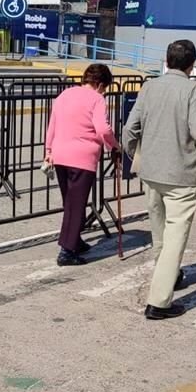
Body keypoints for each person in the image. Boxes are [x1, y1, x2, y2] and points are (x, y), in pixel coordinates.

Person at [124, 40, 196, 321]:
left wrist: (135, 154)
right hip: (180, 174)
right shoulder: (194, 90)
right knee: (175, 237)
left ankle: (169, 277)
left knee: (159, 233)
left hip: (150, 171)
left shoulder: (150, 86)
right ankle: (159, 302)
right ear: (192, 64)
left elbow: (130, 128)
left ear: (167, 60)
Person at [45, 64, 120, 266]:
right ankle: (67, 250)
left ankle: (74, 240)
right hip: (82, 157)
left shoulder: (64, 95)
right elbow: (103, 129)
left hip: (60, 154)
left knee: (69, 201)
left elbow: (52, 123)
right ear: (100, 84)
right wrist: (114, 145)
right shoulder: (97, 99)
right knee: (76, 204)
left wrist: (48, 150)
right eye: (104, 88)